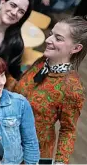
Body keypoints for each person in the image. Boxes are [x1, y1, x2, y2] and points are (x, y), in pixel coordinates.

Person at [10, 16, 87, 164]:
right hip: (7, 136)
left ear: (76, 48)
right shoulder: (42, 62)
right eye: (51, 34)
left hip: (29, 153)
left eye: (58, 38)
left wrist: (60, 162)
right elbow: (20, 89)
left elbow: (68, 130)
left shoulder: (72, 88)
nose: (48, 40)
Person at [0, 0, 33, 80]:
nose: (14, 12)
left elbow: (13, 76)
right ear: (2, 3)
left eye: (21, 12)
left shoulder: (16, 43)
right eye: (13, 5)